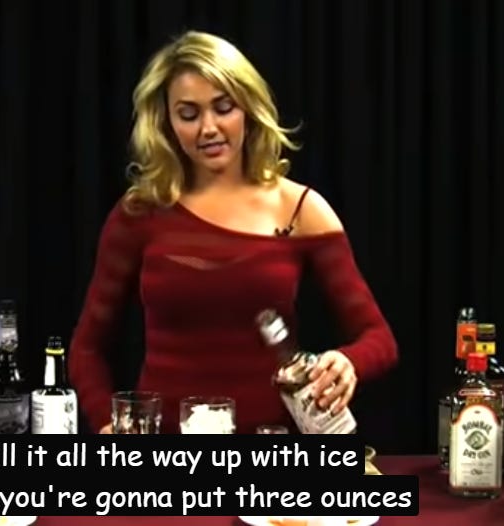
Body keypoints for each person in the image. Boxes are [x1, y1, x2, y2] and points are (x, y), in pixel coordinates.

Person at [69, 30, 398, 434]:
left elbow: (379, 339)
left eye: (223, 108)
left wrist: (349, 363)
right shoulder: (140, 212)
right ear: (167, 122)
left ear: (248, 108)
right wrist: (108, 424)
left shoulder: (299, 209)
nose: (208, 128)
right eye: (188, 114)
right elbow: (86, 348)